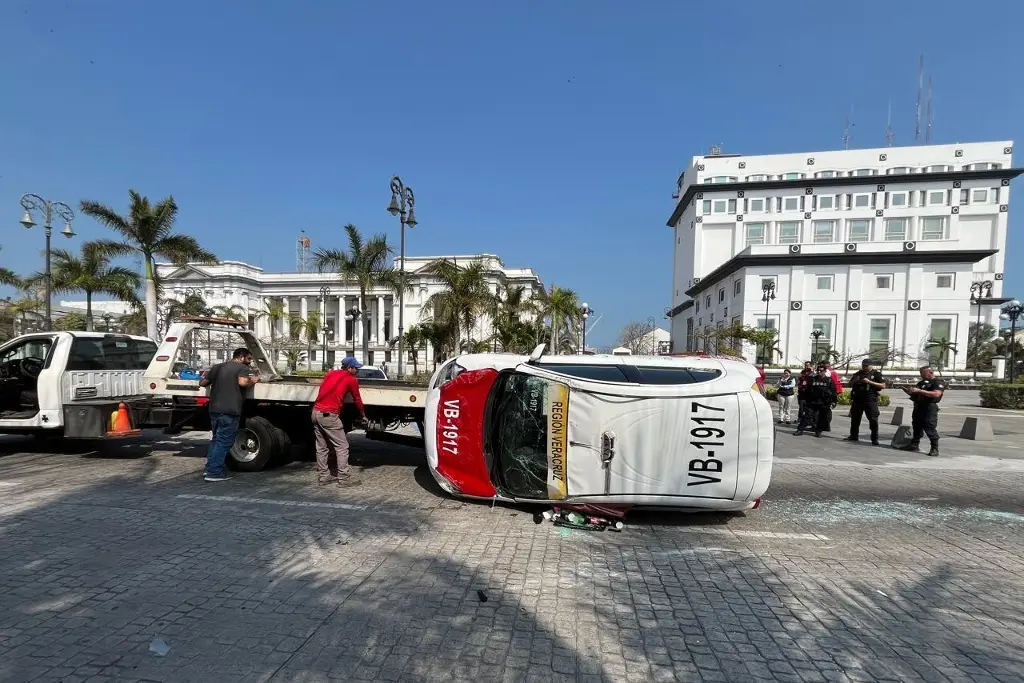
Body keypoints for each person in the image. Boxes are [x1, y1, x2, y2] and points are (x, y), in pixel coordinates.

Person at [199, 347, 260, 482]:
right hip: (230, 409)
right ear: (241, 356)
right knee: (224, 441)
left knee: (216, 439)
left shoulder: (217, 367)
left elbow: (203, 383)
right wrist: (254, 380)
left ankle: (210, 468)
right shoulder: (242, 368)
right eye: (249, 359)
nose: (249, 362)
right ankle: (214, 473)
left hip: (214, 408)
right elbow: (243, 382)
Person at [311, 356, 368, 487]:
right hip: (329, 415)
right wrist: (363, 414)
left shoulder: (330, 374)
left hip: (315, 412)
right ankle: (344, 478)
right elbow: (357, 399)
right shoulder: (350, 379)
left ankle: (323, 477)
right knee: (342, 446)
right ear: (349, 368)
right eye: (356, 368)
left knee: (321, 447)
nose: (357, 370)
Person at [899, 365, 945, 457]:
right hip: (918, 406)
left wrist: (919, 391)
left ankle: (934, 448)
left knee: (929, 427)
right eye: (921, 374)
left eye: (923, 373)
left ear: (930, 372)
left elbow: (936, 394)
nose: (921, 375)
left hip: (929, 407)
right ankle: (914, 444)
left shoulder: (938, 382)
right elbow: (917, 392)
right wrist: (910, 391)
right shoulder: (922, 382)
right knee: (916, 425)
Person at [845, 358, 886, 445]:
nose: (864, 367)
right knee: (855, 419)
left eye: (866, 365)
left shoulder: (876, 374)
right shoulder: (858, 373)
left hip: (870, 399)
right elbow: (850, 383)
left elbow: (883, 385)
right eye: (863, 365)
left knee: (873, 419)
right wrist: (854, 381)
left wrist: (870, 382)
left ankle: (874, 439)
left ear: (871, 365)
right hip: (858, 399)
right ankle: (853, 435)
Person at [795, 363, 837, 437]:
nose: (820, 372)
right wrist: (805, 399)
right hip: (813, 401)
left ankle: (818, 431)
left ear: (825, 371)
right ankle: (800, 430)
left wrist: (834, 401)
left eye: (821, 371)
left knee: (822, 418)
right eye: (818, 371)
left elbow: (833, 391)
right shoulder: (813, 379)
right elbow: (807, 390)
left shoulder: (829, 380)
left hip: (824, 402)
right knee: (807, 416)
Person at [796, 361, 814, 426]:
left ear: (811, 366)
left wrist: (812, 371)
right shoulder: (803, 372)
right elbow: (799, 379)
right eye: (805, 365)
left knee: (808, 407)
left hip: (809, 392)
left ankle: (809, 420)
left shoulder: (813, 373)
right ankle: (800, 418)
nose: (806, 366)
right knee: (801, 406)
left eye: (808, 365)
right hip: (802, 391)